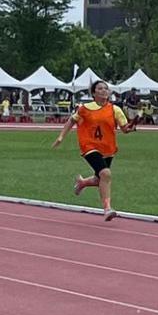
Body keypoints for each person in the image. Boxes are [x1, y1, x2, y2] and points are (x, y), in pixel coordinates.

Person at [52, 80, 135, 221]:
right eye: (100, 88)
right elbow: (72, 121)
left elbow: (124, 128)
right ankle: (107, 208)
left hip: (108, 147)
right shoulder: (85, 108)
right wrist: (61, 137)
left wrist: (130, 128)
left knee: (100, 179)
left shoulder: (115, 109)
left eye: (106, 88)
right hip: (89, 145)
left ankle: (82, 183)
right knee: (106, 173)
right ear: (93, 93)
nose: (104, 91)